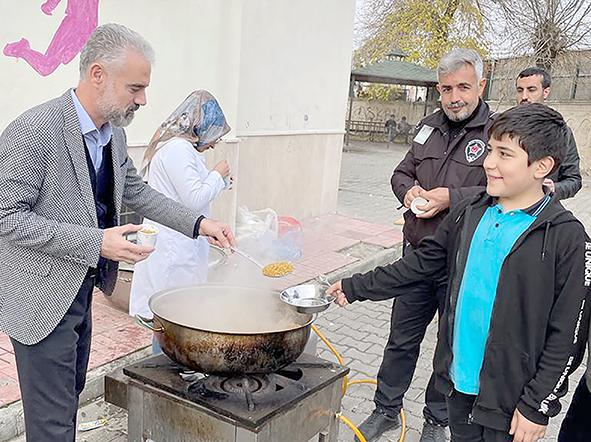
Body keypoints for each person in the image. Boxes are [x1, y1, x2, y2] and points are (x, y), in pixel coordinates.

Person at [0, 23, 235, 442]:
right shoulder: (34, 130)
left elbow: (136, 192)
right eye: (135, 88)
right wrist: (97, 242)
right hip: (40, 301)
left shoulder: (114, 134)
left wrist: (200, 225)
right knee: (50, 424)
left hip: (82, 291)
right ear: (97, 75)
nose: (144, 99)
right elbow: (5, 217)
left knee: (66, 403)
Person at [329, 103, 590, 442]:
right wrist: (355, 286)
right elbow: (419, 266)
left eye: (504, 154)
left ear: (542, 166)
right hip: (457, 384)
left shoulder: (568, 238)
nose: (489, 163)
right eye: (491, 149)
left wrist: (538, 404)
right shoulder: (469, 212)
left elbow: (568, 336)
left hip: (511, 404)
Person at [353, 48, 493, 442]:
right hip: (415, 256)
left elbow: (498, 191)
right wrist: (409, 189)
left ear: (481, 86)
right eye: (447, 88)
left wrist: (452, 197)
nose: (454, 97)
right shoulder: (427, 126)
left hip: (461, 261)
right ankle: (386, 410)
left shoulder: (496, 133)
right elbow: (400, 172)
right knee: (401, 339)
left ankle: (436, 420)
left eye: (463, 86)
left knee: (449, 347)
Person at [130, 90, 232, 340]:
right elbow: (193, 198)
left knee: (175, 316)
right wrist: (218, 174)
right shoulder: (178, 149)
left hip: (181, 240)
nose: (213, 143)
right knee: (170, 319)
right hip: (173, 248)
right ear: (200, 125)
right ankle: (171, 369)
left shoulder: (182, 148)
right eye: (213, 134)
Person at [516, 67, 582, 200]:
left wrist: (554, 188)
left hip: (541, 210)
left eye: (531, 89)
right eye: (520, 90)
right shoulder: (502, 126)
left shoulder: (561, 131)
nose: (524, 97)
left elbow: (574, 180)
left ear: (545, 92)